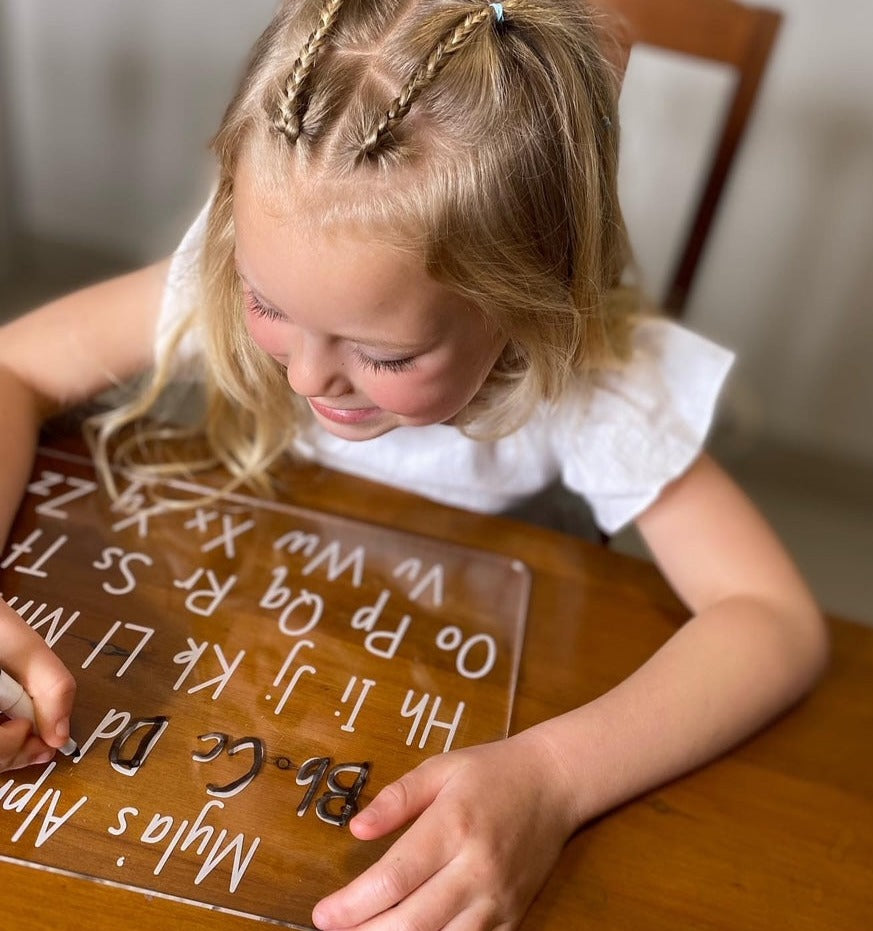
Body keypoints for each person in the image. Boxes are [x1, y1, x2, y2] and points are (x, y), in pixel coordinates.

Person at [0, 0, 828, 927]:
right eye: (263, 302)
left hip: (458, 693)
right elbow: (13, 366)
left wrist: (553, 776)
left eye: (385, 357)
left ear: (526, 300)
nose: (307, 375)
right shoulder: (247, 268)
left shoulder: (596, 387)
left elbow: (771, 619)